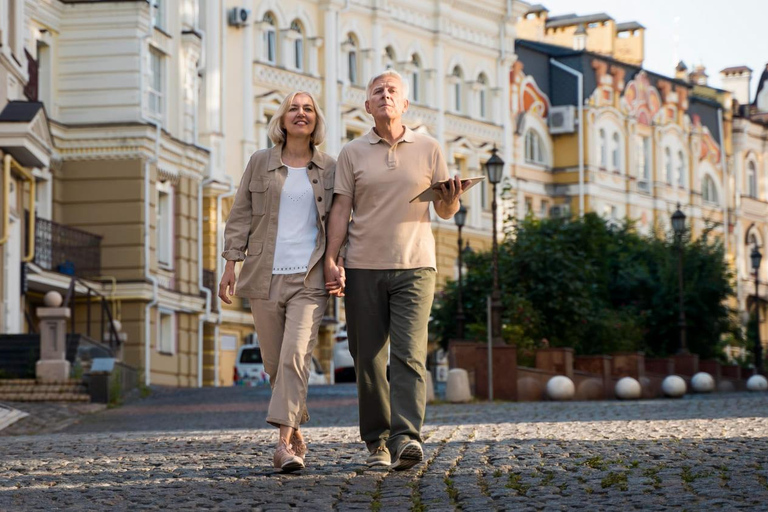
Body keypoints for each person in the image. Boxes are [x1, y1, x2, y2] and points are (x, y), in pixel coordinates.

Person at [324, 70, 463, 470]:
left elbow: (444, 208)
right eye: (377, 91)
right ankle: (377, 443)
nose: (385, 96)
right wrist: (333, 259)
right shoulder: (352, 152)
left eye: (392, 91)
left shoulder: (429, 147)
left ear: (405, 104)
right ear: (367, 106)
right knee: (366, 357)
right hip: (364, 265)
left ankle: (407, 439)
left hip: (416, 265)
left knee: (409, 355)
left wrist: (452, 199)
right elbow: (340, 210)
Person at [219, 91, 335, 472]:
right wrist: (230, 265)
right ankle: (296, 426)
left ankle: (282, 444)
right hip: (264, 276)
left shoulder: (330, 168)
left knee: (294, 356)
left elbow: (339, 224)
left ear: (316, 120)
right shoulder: (259, 163)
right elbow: (240, 216)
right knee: (274, 364)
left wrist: (339, 263)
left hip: (310, 278)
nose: (301, 114)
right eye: (293, 109)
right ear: (282, 120)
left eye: (308, 109)